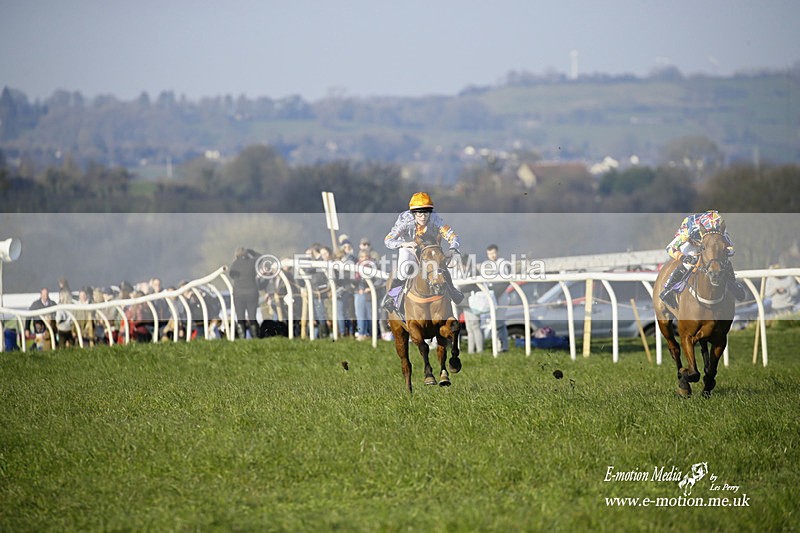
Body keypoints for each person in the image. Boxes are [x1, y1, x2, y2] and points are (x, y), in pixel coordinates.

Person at [382, 192, 463, 319]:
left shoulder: (435, 219)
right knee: (404, 270)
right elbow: (388, 240)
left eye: (426, 212)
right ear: (414, 213)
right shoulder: (405, 220)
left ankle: (452, 291)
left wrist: (453, 249)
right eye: (419, 213)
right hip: (409, 248)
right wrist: (405, 244)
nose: (423, 216)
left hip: (428, 249)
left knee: (439, 265)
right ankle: (391, 297)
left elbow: (453, 236)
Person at [659, 210, 746, 304]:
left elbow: (728, 246)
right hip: (691, 241)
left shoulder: (719, 226)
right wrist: (683, 257)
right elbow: (670, 248)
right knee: (691, 260)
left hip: (706, 242)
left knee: (721, 258)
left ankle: (733, 283)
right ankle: (668, 288)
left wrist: (727, 250)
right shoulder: (690, 231)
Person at [482, 244, 509, 351]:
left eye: (493, 253)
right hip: (490, 296)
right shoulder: (485, 265)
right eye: (489, 254)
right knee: (491, 322)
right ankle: (495, 345)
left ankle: (503, 346)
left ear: (497, 252)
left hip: (501, 296)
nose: (492, 256)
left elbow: (504, 281)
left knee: (500, 322)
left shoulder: (502, 263)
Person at [229, 246, 261, 340]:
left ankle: (242, 337)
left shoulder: (235, 264)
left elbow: (232, 275)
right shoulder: (252, 262)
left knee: (240, 317)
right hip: (252, 293)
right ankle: (255, 337)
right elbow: (262, 258)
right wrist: (253, 252)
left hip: (239, 294)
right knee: (252, 316)